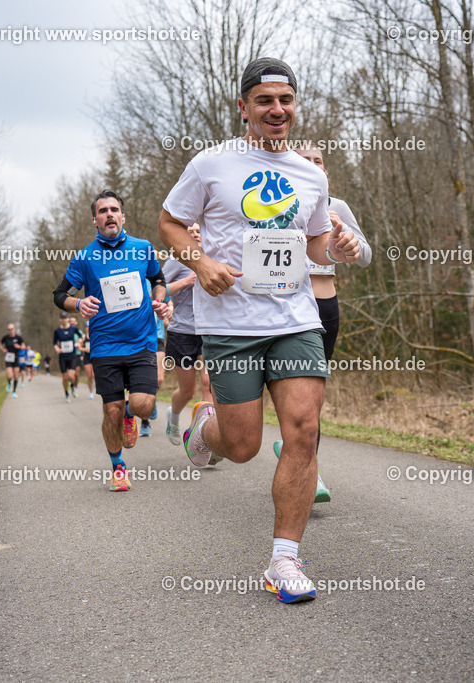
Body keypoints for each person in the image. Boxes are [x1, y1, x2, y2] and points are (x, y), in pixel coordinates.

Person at [159, 57, 359, 602]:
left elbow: (316, 245)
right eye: (265, 101)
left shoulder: (310, 174)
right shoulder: (210, 165)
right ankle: (204, 433)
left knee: (302, 429)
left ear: (296, 106)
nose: (277, 110)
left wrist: (335, 248)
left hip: (295, 320)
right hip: (231, 324)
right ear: (244, 107)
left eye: (286, 100)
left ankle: (284, 559)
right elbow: (170, 222)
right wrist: (199, 263)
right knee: (243, 445)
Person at [272, 143, 373, 503]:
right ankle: (301, 459)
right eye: (305, 161)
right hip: (286, 309)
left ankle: (305, 465)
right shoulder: (273, 206)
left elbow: (366, 256)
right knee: (291, 395)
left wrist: (348, 241)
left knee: (312, 398)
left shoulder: (337, 207)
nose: (314, 165)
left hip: (325, 307)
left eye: (319, 161)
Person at [53, 190, 171, 491]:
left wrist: (159, 300)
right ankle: (118, 467)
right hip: (105, 345)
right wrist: (78, 305)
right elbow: (59, 294)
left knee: (143, 404)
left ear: (123, 216)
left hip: (142, 341)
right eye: (102, 211)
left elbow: (159, 280)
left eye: (114, 209)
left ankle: (132, 416)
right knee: (111, 410)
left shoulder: (143, 249)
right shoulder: (85, 258)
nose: (109, 214)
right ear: (95, 220)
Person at [163, 225, 214, 446]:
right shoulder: (177, 259)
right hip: (182, 332)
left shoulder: (216, 255)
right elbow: (155, 289)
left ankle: (206, 437)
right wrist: (185, 282)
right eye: (189, 230)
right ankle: (173, 415)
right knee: (187, 391)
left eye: (199, 229)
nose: (195, 233)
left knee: (208, 382)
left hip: (209, 331)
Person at [53, 312, 80, 402]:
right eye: (62, 318)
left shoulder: (73, 328)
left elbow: (81, 336)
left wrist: (78, 343)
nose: (64, 320)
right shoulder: (57, 331)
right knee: (65, 377)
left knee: (71, 377)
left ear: (68, 319)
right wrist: (57, 348)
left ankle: (72, 386)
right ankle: (66, 394)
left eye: (65, 318)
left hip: (72, 355)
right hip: (63, 357)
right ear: (60, 319)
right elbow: (54, 343)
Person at [0, 324, 24, 398]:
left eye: (12, 329)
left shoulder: (18, 338)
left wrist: (19, 346)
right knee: (10, 375)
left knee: (16, 376)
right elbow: (0, 344)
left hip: (16, 358)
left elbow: (23, 346)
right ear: (8, 330)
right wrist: (3, 349)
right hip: (9, 357)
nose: (10, 330)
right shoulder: (5, 338)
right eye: (9, 329)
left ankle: (14, 392)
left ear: (14, 329)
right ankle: (9, 383)